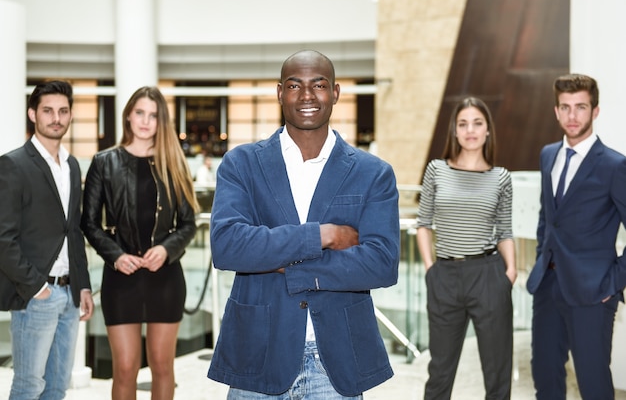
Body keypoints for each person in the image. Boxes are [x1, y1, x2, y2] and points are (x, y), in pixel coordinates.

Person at [207, 50, 400, 399]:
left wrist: (288, 264)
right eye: (295, 85)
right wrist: (322, 235)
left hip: (336, 359)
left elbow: (381, 264)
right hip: (259, 352)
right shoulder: (241, 164)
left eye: (319, 85)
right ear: (280, 93)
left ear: (336, 93)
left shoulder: (373, 173)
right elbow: (228, 246)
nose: (307, 95)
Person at [81, 86, 198, 400]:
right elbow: (89, 223)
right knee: (125, 368)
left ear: (162, 122)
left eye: (154, 115)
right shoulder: (104, 162)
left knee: (162, 367)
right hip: (121, 278)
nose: (146, 121)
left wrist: (166, 249)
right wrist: (116, 255)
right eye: (140, 113)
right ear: (128, 116)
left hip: (165, 277)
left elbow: (189, 224)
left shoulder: (174, 163)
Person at [526, 74, 626, 399]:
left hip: (593, 294)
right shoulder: (547, 155)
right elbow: (548, 218)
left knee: (593, 384)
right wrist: (543, 255)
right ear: (556, 111)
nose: (572, 116)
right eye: (565, 107)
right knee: (545, 379)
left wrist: (612, 282)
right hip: (548, 287)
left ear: (595, 111)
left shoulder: (614, 166)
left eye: (580, 107)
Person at [416, 96, 516, 399]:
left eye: (477, 123)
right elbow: (424, 224)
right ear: (455, 131)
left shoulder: (501, 177)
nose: (470, 130)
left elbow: (505, 230)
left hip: (488, 275)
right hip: (444, 274)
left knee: (497, 370)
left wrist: (509, 273)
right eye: (463, 124)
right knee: (440, 371)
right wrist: (431, 269)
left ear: (487, 130)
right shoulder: (436, 170)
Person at [0, 80, 94, 399]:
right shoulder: (13, 164)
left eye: (63, 111)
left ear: (70, 116)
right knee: (28, 385)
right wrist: (36, 286)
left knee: (56, 387)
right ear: (33, 114)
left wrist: (83, 285)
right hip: (36, 294)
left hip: (69, 294)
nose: (56, 118)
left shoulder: (71, 166)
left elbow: (74, 230)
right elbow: (3, 239)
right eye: (48, 111)